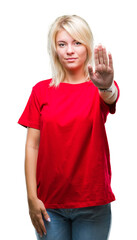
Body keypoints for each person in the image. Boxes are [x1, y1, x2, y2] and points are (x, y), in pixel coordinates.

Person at [18, 15, 120, 240]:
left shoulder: (98, 88)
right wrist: (31, 198)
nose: (69, 50)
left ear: (87, 46)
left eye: (77, 43)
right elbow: (31, 147)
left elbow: (110, 97)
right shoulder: (40, 91)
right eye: (62, 44)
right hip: (49, 206)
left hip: (92, 204)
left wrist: (106, 86)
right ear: (54, 49)